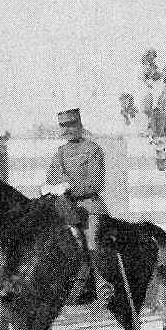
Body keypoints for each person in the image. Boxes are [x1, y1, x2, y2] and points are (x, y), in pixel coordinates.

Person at [44, 108, 113, 304]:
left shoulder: (93, 150)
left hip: (89, 205)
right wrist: (50, 187)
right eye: (63, 126)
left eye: (70, 125)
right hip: (66, 206)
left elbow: (96, 182)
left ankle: (101, 282)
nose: (66, 130)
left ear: (79, 125)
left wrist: (69, 187)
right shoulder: (60, 153)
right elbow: (51, 177)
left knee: (92, 240)